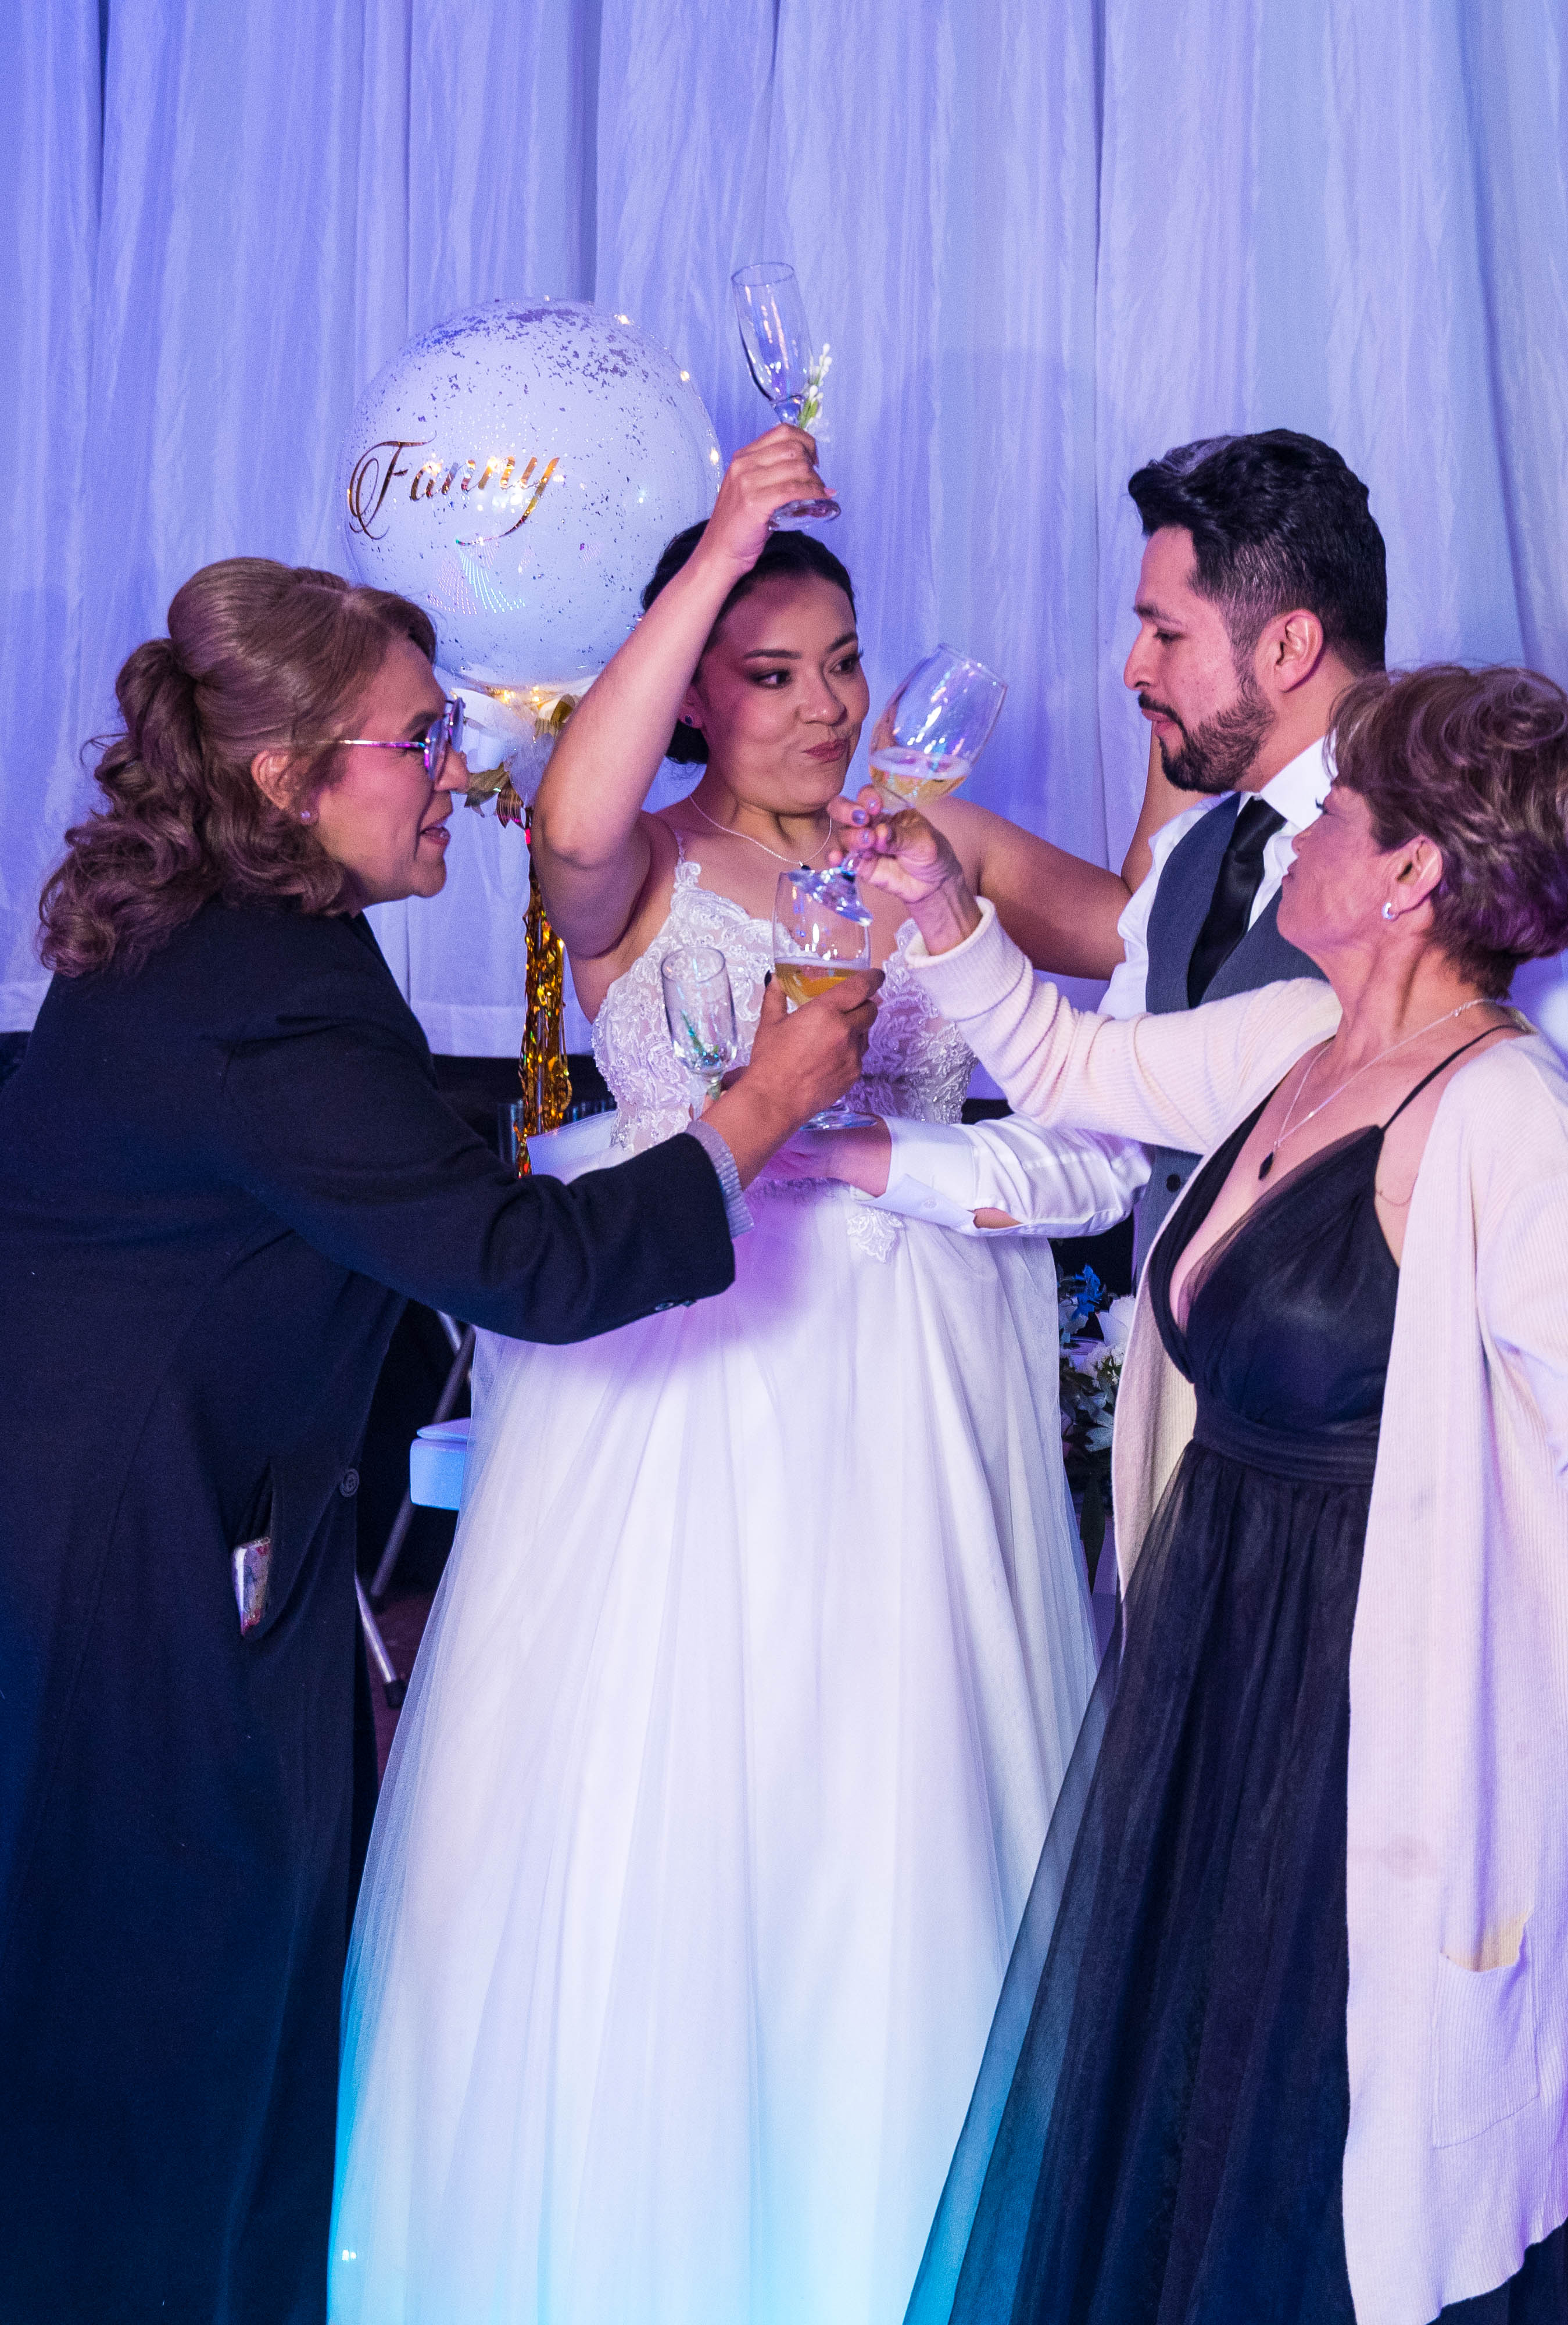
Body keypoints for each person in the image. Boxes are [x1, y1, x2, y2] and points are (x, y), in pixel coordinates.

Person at [846, 661, 1568, 2325]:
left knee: (1321, 2140)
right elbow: (1069, 1066)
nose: (1298, 834)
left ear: (1410, 872)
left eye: (1335, 809)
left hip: (1368, 1702)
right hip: (1214, 1653)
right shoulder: (1301, 1035)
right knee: (1179, 2105)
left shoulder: (1514, 1124)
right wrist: (935, 905)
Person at [329, 426, 1144, 2325]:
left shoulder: (935, 843)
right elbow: (570, 821)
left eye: (839, 664)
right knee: (683, 1777)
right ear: (689, 690)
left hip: (916, 1379)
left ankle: (896, 2236)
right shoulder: (632, 868)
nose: (824, 706)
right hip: (684, 1389)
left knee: (899, 1781)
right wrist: (722, 543)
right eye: (769, 675)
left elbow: (1150, 944)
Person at [0, 557, 876, 2325]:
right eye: (418, 741)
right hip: (131, 1581)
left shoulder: (253, 941)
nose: (460, 775)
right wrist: (765, 1104)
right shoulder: (255, 993)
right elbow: (523, 1266)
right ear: (287, 780)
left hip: (199, 1531)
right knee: (165, 2049)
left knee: (231, 2026)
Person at [1098, 430, 1568, 1296]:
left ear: (1288, 647)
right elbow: (1102, 1122)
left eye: (1165, 633)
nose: (1133, 668)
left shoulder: (1474, 852)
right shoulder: (1184, 856)